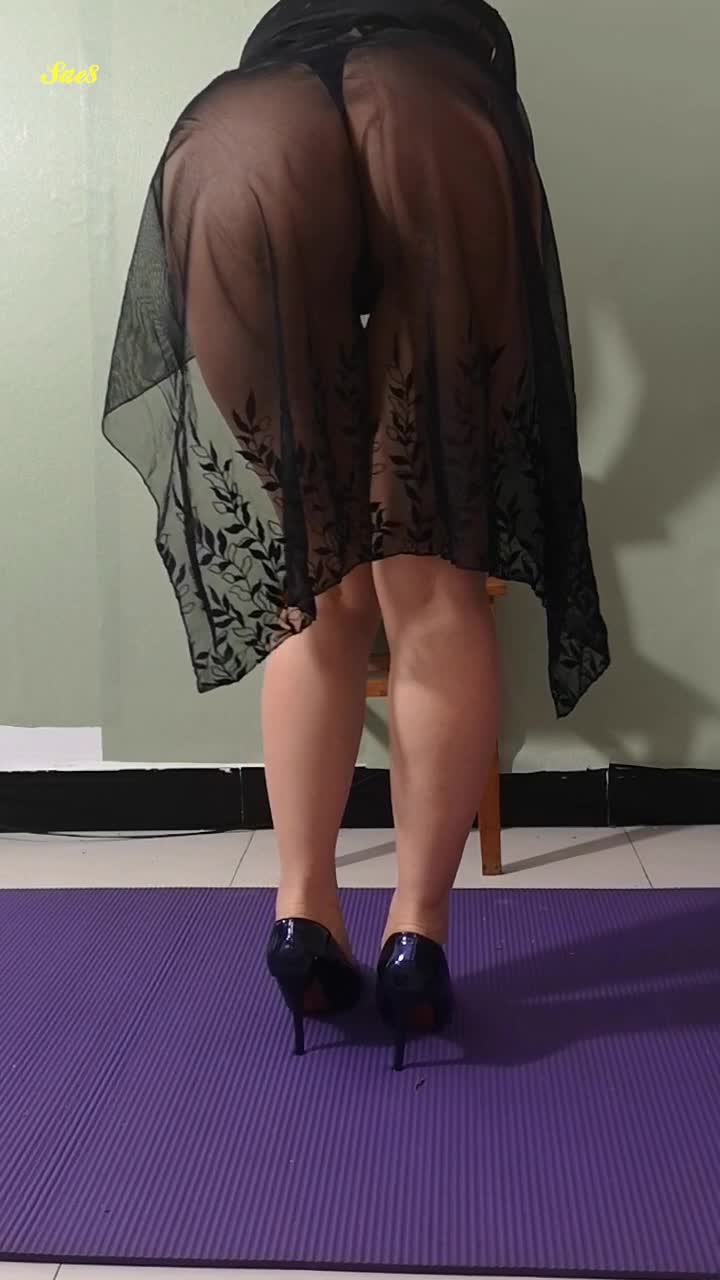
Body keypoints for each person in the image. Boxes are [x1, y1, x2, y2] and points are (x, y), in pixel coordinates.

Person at [102, 0, 610, 1070]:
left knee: (319, 588)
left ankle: (301, 914)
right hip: (436, 103)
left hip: (247, 129)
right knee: (433, 587)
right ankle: (415, 934)